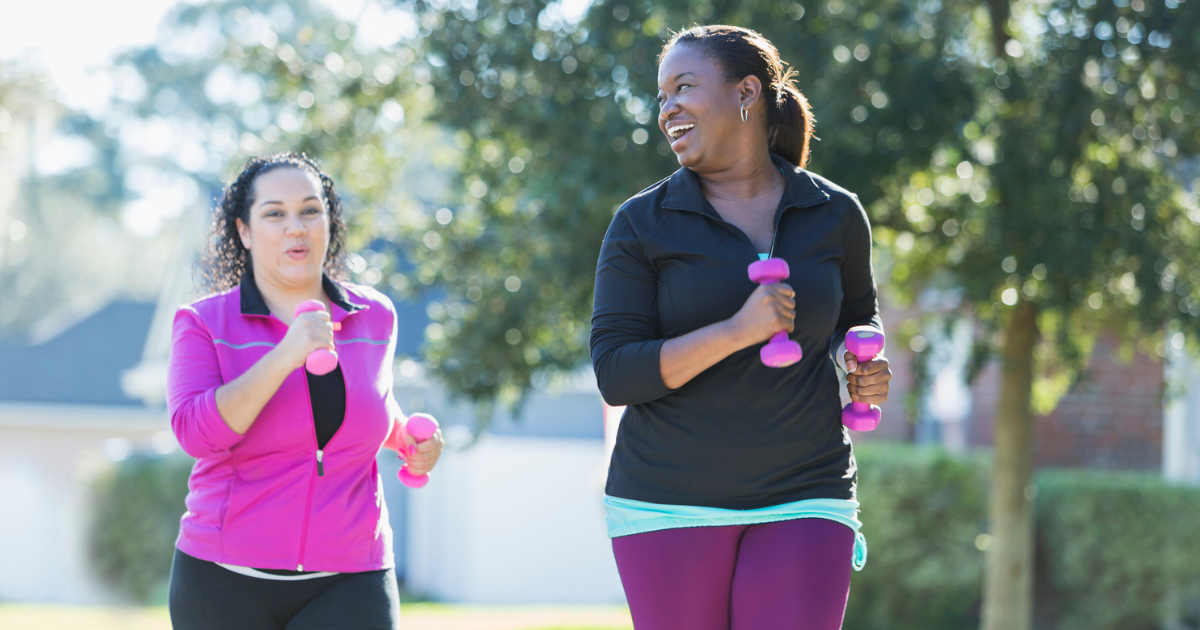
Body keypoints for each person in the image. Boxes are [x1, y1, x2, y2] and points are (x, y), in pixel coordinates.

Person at [590, 26, 893, 629]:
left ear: (746, 92)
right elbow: (616, 374)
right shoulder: (642, 224)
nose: (666, 107)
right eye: (661, 96)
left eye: (684, 87)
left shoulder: (834, 212)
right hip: (668, 501)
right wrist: (736, 330)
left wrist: (856, 360)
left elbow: (856, 315)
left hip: (807, 488)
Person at [166, 153, 443, 630]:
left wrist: (408, 440)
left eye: (310, 210)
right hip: (223, 580)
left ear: (328, 223)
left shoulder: (374, 315)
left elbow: (365, 404)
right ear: (245, 231)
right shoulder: (204, 324)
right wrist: (285, 355)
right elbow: (197, 435)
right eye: (274, 213)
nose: (296, 227)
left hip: (352, 577)